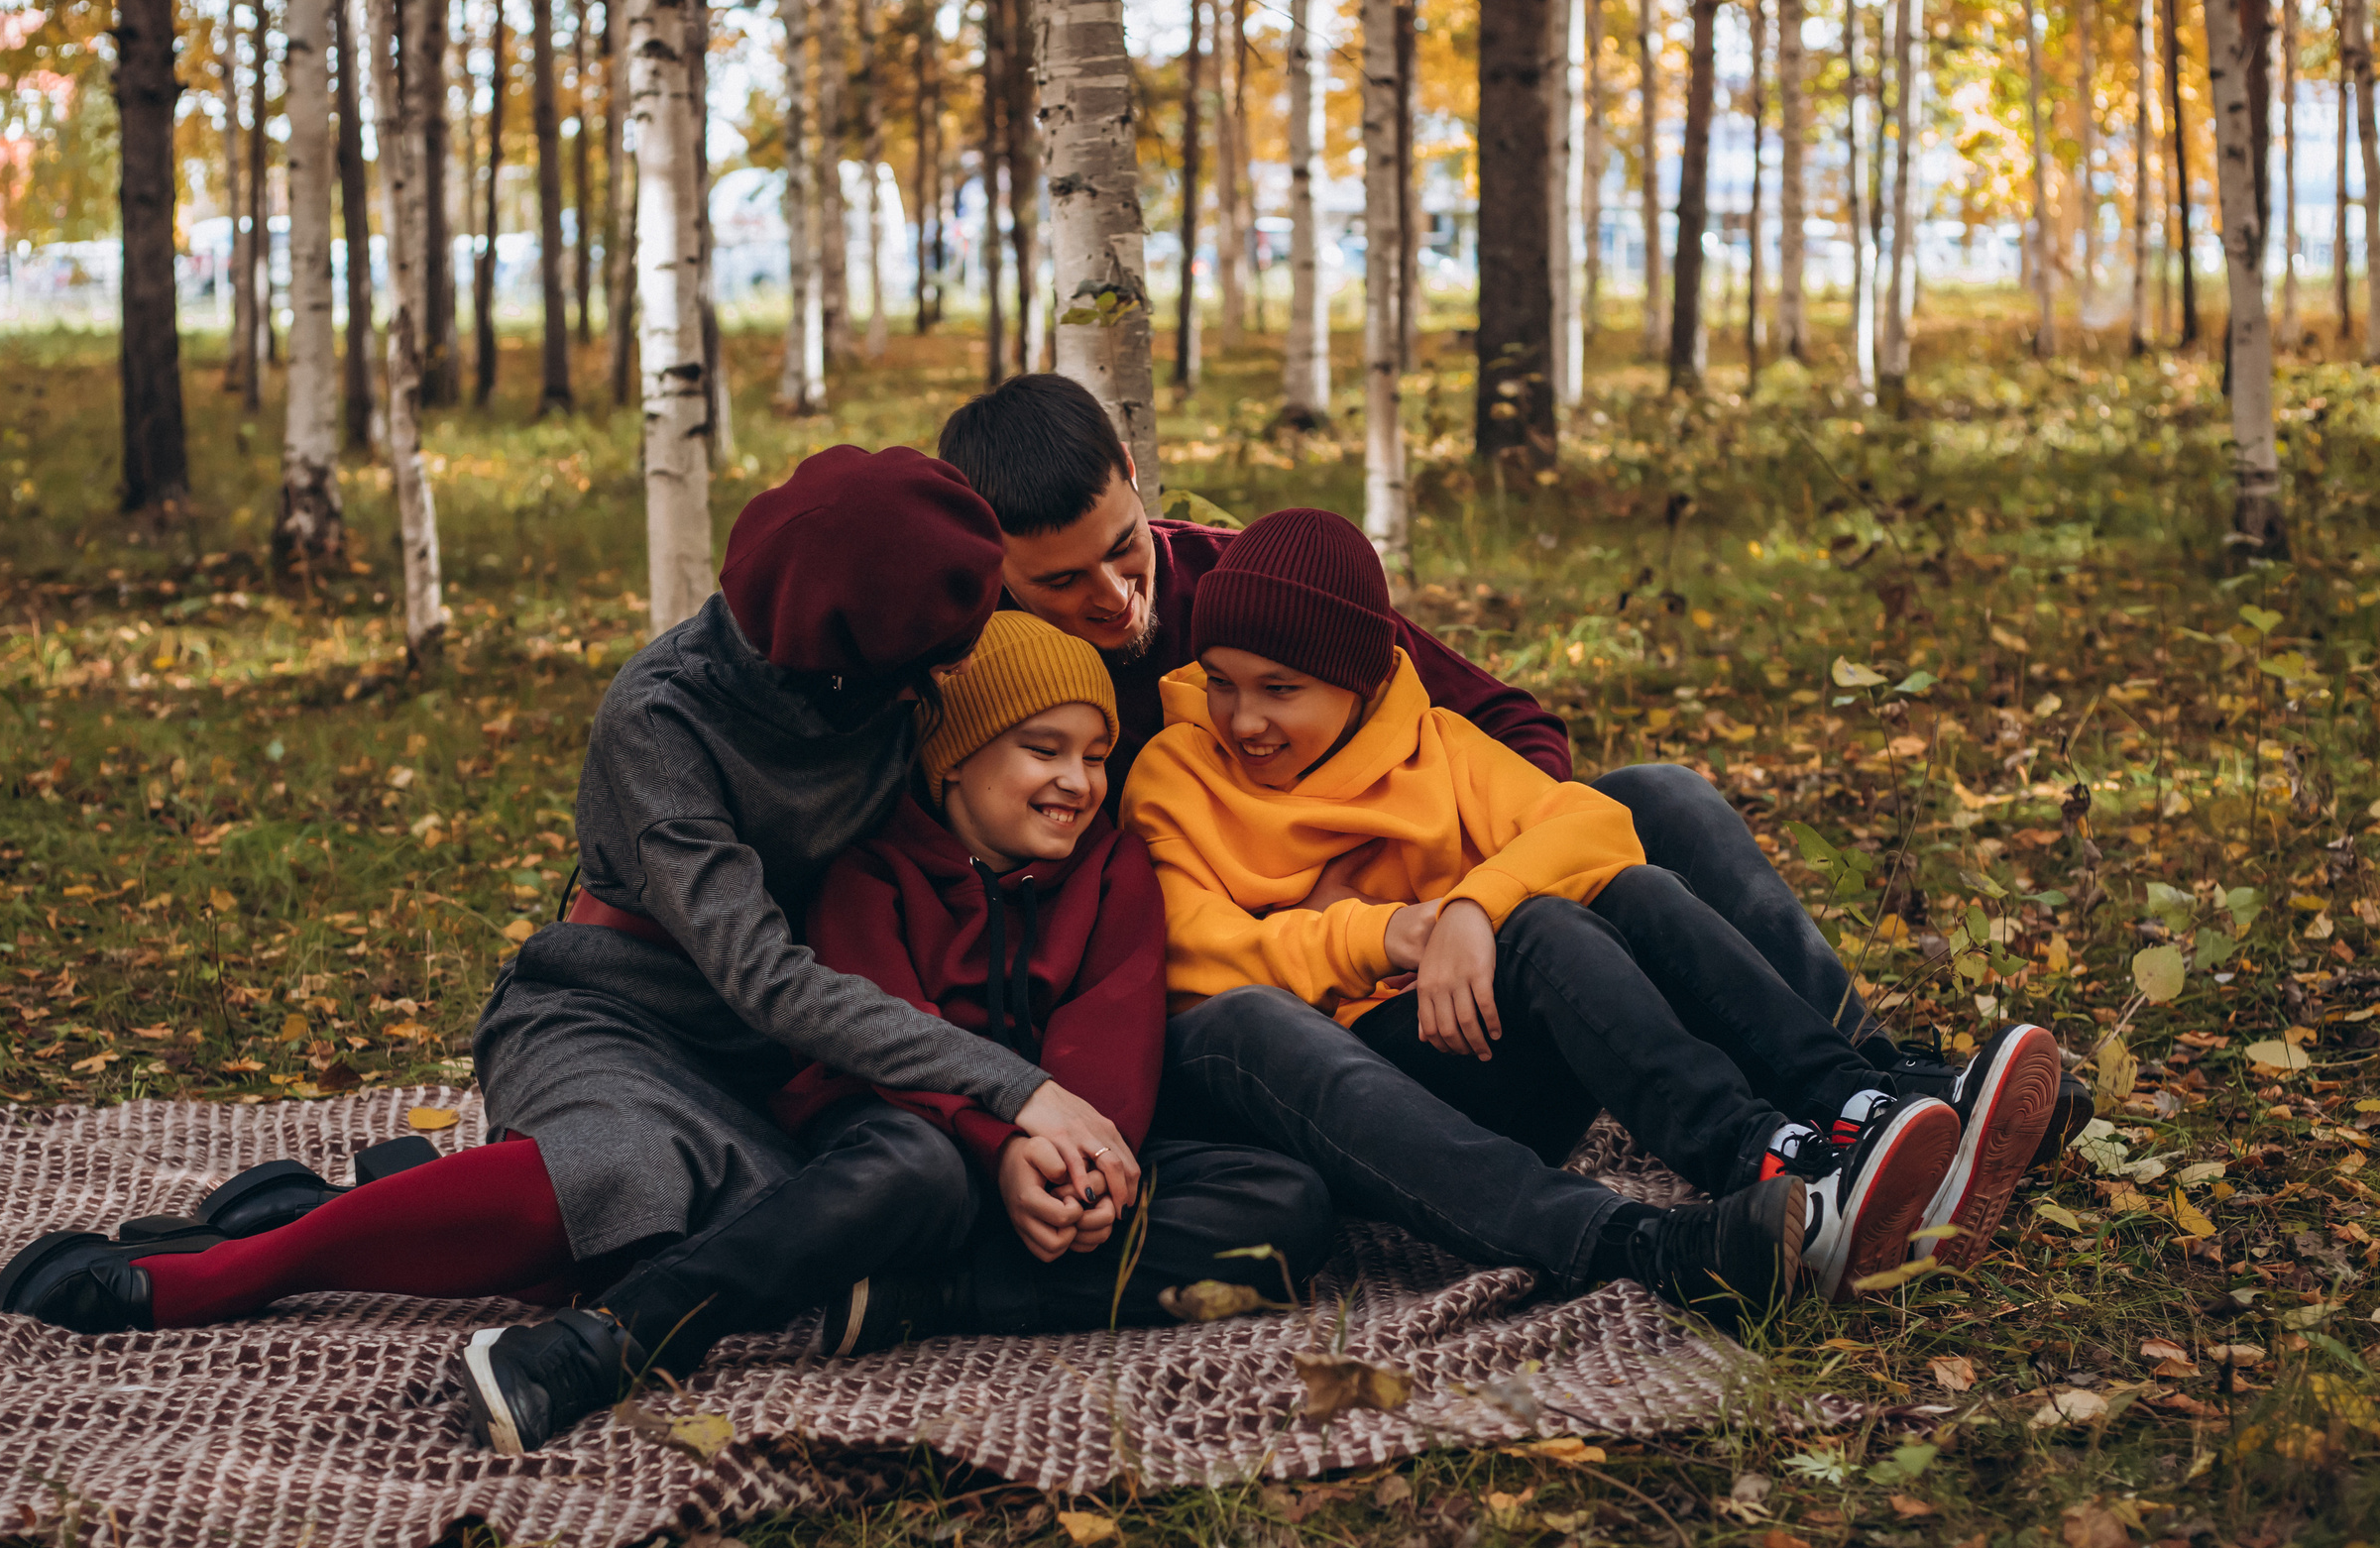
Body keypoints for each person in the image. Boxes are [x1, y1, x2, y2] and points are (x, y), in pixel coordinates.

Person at [0, 447, 1170, 1455]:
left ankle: (388, 1195)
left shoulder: (919, 650)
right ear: (849, 661)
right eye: (943, 657)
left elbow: (1088, 637)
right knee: (619, 1187)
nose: (970, 661)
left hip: (809, 1060)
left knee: (799, 1228)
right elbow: (760, 973)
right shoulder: (661, 719)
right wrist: (1014, 1087)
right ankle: (250, 1261)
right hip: (626, 1018)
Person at [934, 376, 2089, 1153]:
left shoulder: (1248, 581)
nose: (1115, 598)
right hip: (1263, 978)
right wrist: (1377, 922)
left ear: (1136, 474)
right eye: (1062, 583)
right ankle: (1824, 1122)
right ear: (990, 562)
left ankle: (1869, 1081)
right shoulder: (991, 677)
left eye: (1124, 549)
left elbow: (1502, 717)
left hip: (1440, 914)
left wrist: (1458, 871)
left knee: (1656, 804)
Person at [1123, 509, 2062, 1324]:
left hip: (1478, 1053)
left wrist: (1467, 909)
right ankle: (1767, 1160)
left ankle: (1848, 1112)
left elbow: (1594, 823)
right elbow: (1191, 948)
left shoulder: (1436, 743)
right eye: (1222, 680)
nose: (1243, 718)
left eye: (1279, 688)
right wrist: (1389, 931)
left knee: (1628, 891)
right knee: (1545, 931)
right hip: (1350, 1077)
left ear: (1361, 681)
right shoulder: (1177, 774)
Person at [776, 609, 1332, 1352]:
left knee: (1290, 1208)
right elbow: (885, 1046)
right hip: (928, 1137)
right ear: (955, 758)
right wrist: (999, 1148)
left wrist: (1084, 1177)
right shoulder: (870, 872)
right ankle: (956, 1262)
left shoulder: (1114, 868)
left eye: (1099, 756)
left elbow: (1112, 1037)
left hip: (1063, 1147)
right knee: (902, 1172)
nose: (1077, 781)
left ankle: (944, 1291)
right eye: (1044, 750)